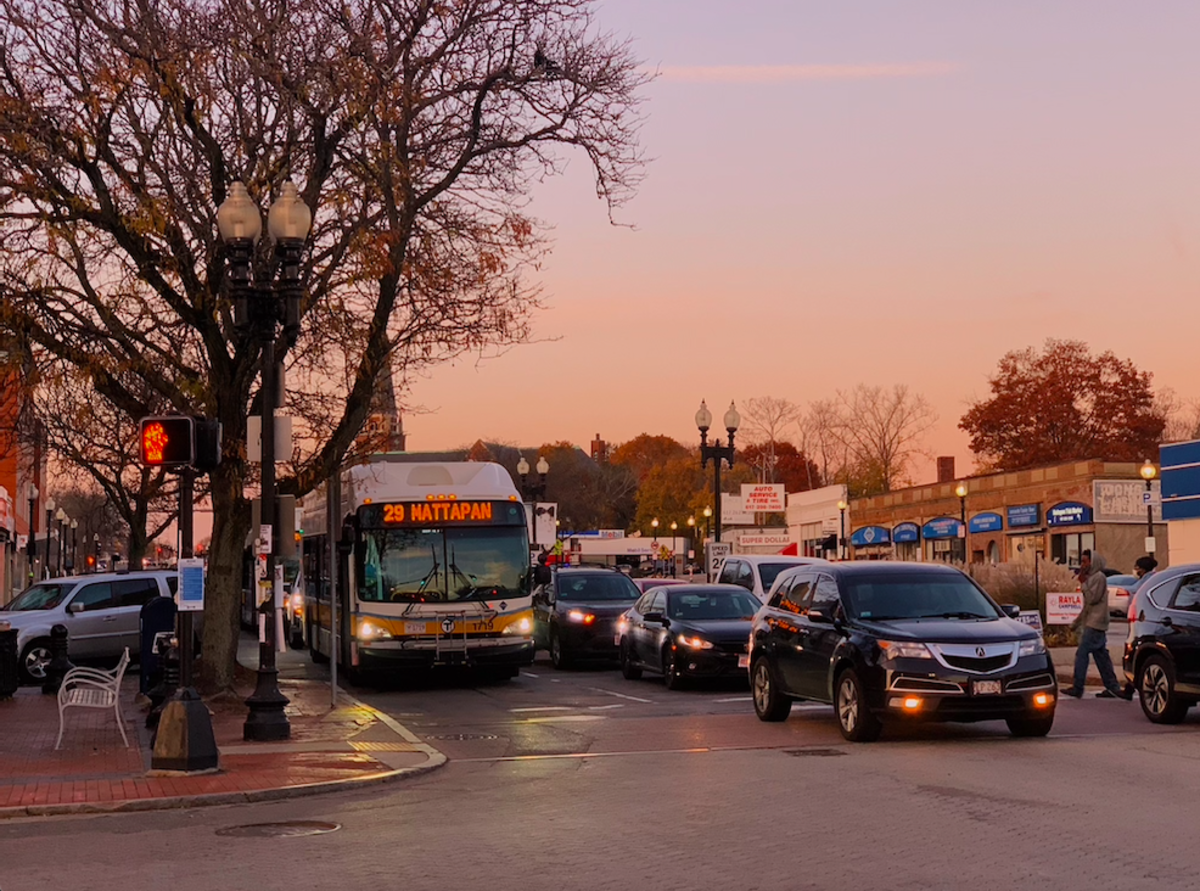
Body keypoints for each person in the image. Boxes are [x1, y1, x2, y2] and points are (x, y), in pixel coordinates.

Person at [1063, 550, 1132, 700]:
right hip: (1092, 621)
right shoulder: (1091, 578)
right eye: (1082, 561)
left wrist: (1083, 584)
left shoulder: (1099, 577)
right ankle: (1113, 687)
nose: (1082, 565)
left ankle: (1078, 687)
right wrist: (1076, 623)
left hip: (1096, 623)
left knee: (1082, 653)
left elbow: (1093, 599)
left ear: (1092, 562)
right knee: (1101, 656)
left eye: (1085, 561)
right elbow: (1087, 607)